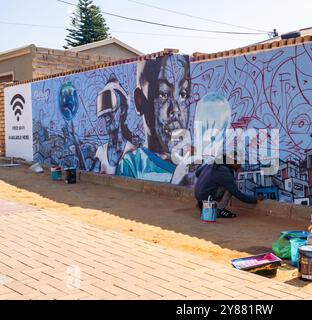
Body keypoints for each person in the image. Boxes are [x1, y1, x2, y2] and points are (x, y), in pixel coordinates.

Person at [117, 54, 191, 182]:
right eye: (163, 93)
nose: (176, 110)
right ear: (140, 101)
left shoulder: (194, 162)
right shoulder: (132, 167)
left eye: (183, 94)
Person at [91, 74, 137, 174]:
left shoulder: (133, 152)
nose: (106, 116)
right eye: (104, 108)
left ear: (123, 110)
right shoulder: (100, 152)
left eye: (111, 107)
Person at [194, 155, 263, 218]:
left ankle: (202, 205)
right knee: (230, 188)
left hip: (199, 197)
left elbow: (197, 173)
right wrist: (254, 200)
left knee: (221, 184)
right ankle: (219, 209)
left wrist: (207, 175)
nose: (240, 166)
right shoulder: (225, 172)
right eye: (239, 163)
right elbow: (237, 194)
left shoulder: (212, 164)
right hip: (206, 198)